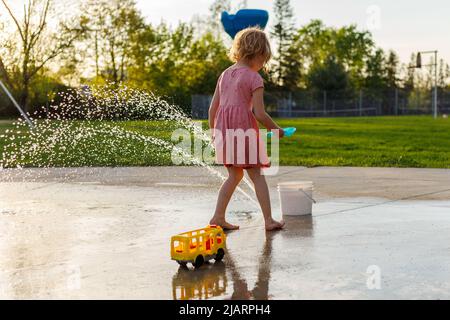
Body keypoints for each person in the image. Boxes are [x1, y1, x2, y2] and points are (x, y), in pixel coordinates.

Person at [208, 27, 285, 231]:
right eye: (264, 60)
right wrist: (276, 129)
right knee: (256, 175)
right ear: (257, 53)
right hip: (243, 130)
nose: (263, 65)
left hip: (224, 131)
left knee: (234, 176)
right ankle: (268, 220)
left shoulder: (224, 74)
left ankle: (218, 216)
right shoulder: (253, 78)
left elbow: (212, 109)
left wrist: (213, 133)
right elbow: (259, 113)